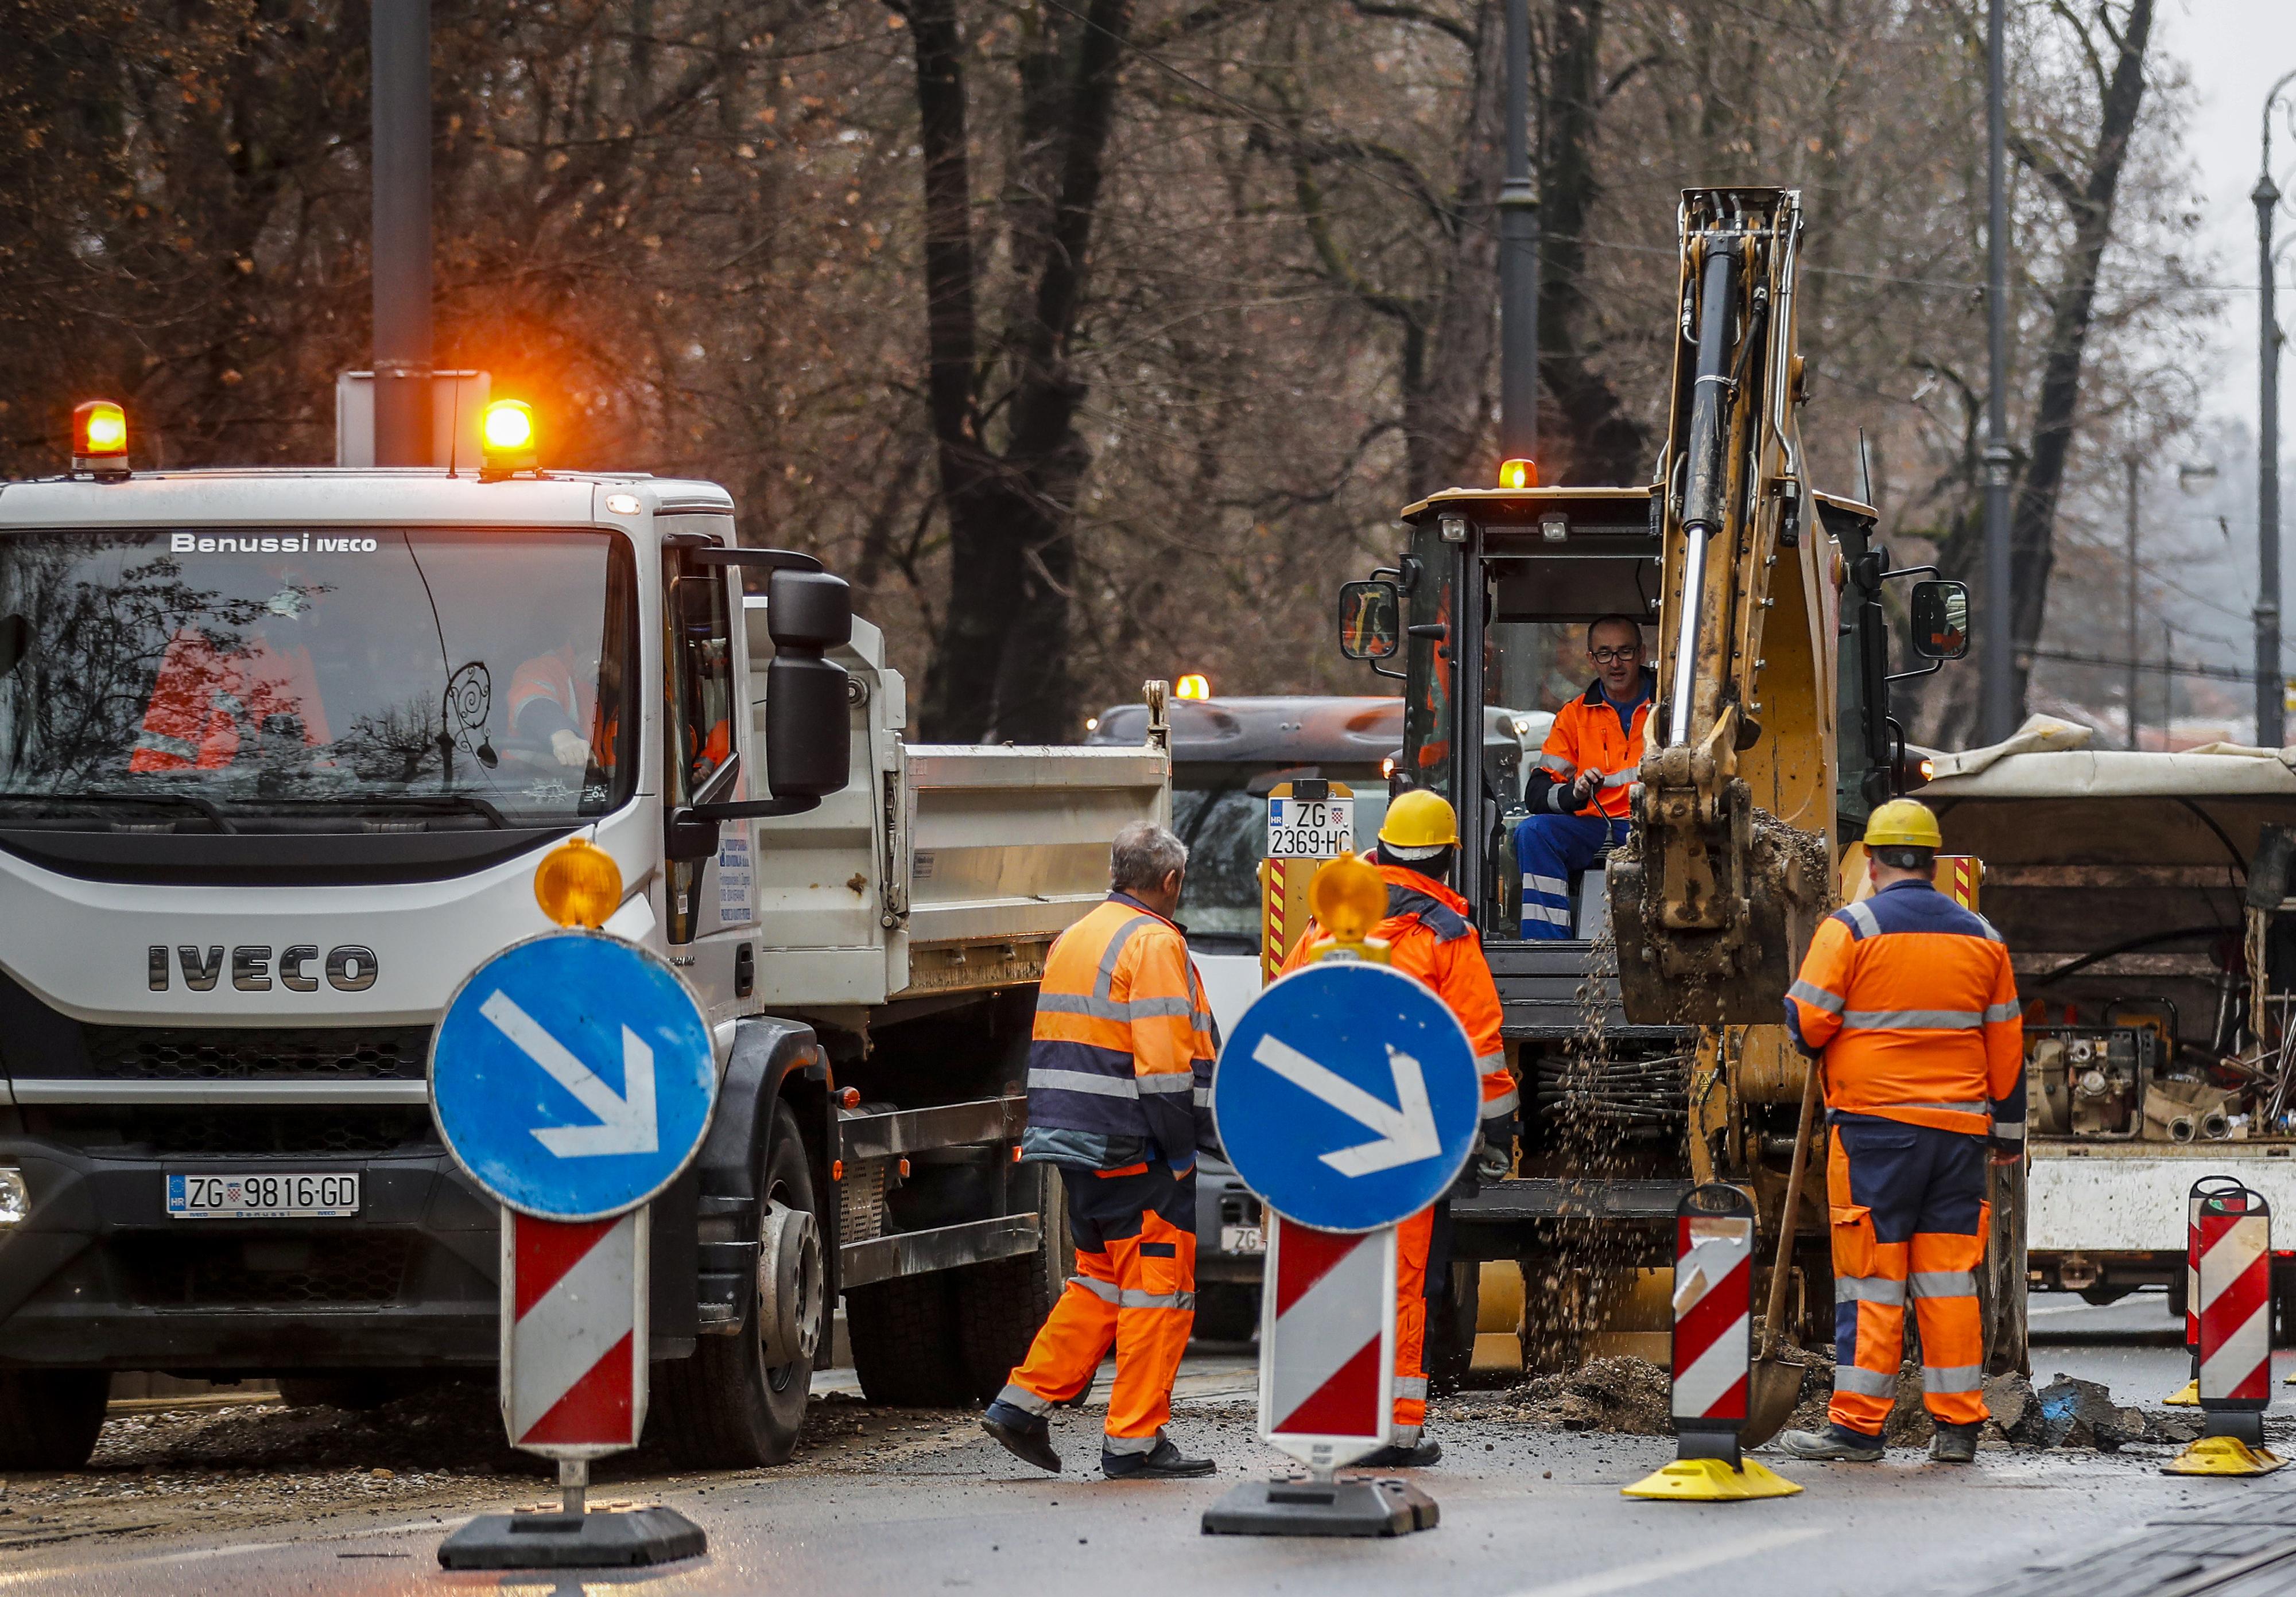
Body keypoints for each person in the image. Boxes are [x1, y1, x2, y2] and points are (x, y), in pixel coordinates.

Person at [1776, 799, 2024, 1465]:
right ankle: (1957, 1428)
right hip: (1958, 1137)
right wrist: (2008, 1132)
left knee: (1874, 1280)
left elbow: (1807, 1027)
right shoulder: (1983, 936)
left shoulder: (1850, 928)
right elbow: (2006, 1045)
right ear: (1934, 861)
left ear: (1875, 860)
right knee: (1947, 1281)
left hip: (1876, 1134)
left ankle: (1857, 1428)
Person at [1278, 789, 1512, 1467]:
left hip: (1326, 1133)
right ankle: (1394, 1428)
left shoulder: (1328, 922)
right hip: (1410, 1137)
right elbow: (1481, 1047)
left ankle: (1329, 1414)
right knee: (1407, 1277)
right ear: (1446, 857)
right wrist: (1496, 1134)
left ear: (1380, 849)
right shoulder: (1445, 934)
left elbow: (1287, 1014)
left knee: (1336, 1270)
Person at [982, 821, 1221, 1481]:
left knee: (1100, 1279)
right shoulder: (1153, 942)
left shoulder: (1077, 935)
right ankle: (1134, 1440)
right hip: (1133, 1143)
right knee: (1157, 1287)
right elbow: (1165, 1067)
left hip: (1071, 1140)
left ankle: (1020, 1404)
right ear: (1170, 881)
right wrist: (1180, 1152)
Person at [1510, 616, 1654, 939]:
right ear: (1591, 659)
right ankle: (1546, 948)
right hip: (1597, 830)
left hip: (1661, 825)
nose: (1615, 663)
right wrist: (1574, 793)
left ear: (1642, 654)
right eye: (1604, 653)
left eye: (1625, 652)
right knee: (1533, 833)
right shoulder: (1574, 716)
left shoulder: (1671, 708)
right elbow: (1537, 792)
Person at [131, 574, 331, 773]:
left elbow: (314, 735)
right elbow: (163, 744)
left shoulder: (285, 653)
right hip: (198, 793)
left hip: (253, 790)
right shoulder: (187, 652)